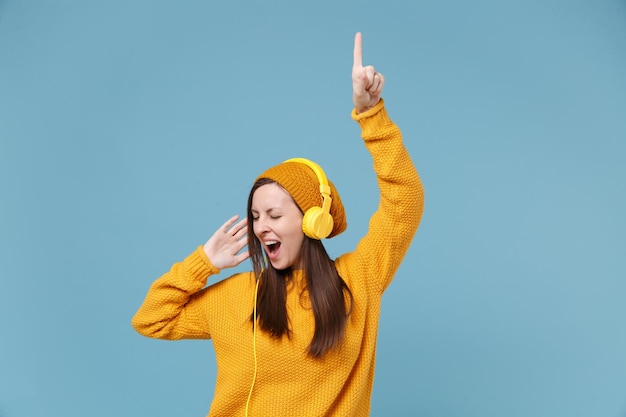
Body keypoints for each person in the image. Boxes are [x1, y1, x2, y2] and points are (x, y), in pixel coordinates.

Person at [132, 32, 425, 417]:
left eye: (274, 215)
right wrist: (203, 262)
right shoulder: (236, 296)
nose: (260, 227)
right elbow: (151, 319)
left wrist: (372, 116)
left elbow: (405, 201)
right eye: (255, 216)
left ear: (313, 221)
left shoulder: (359, 279)